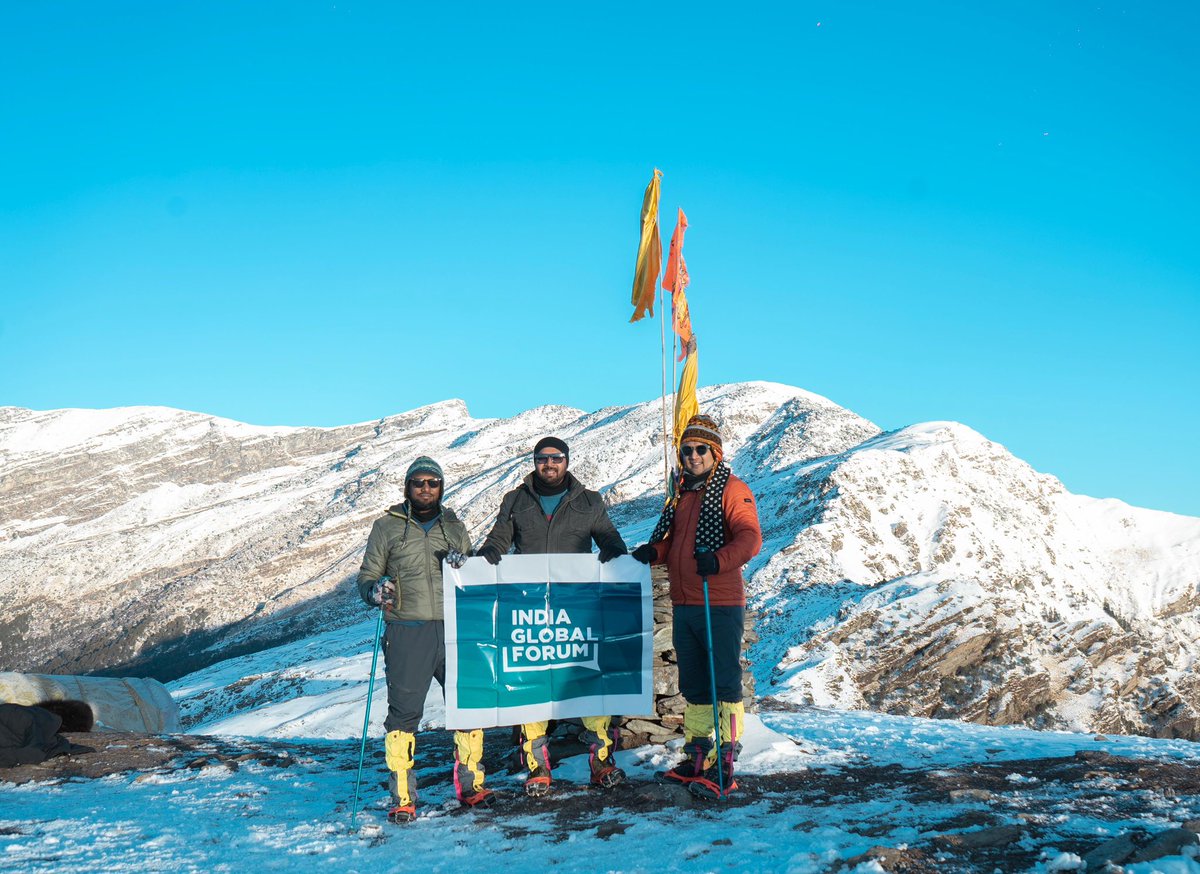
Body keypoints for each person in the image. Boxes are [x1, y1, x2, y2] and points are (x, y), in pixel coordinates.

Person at [478, 436, 629, 796]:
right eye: (542, 458)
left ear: (566, 461)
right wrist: (483, 560)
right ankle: (537, 768)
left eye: (556, 458)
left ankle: (601, 762)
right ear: (534, 462)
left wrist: (614, 551)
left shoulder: (588, 500)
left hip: (576, 609)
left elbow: (609, 536)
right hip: (529, 611)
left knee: (588, 683)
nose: (549, 464)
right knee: (532, 687)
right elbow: (499, 540)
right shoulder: (514, 501)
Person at [631, 414, 762, 799]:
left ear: (715, 452)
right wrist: (655, 551)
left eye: (700, 449)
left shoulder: (732, 490)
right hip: (686, 602)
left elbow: (750, 538)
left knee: (724, 683)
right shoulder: (684, 496)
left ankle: (726, 760)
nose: (693, 455)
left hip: (718, 601)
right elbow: (676, 544)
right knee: (695, 686)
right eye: (686, 450)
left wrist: (719, 560)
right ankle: (698, 753)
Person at [357, 456, 493, 823]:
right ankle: (402, 795)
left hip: (455, 629)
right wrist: (375, 591)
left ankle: (471, 785)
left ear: (441, 487)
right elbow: (368, 576)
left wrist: (466, 562)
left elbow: (473, 568)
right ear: (407, 486)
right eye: (419, 482)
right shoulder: (386, 527)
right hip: (407, 630)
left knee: (467, 705)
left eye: (433, 482)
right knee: (403, 715)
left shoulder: (454, 526)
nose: (426, 488)